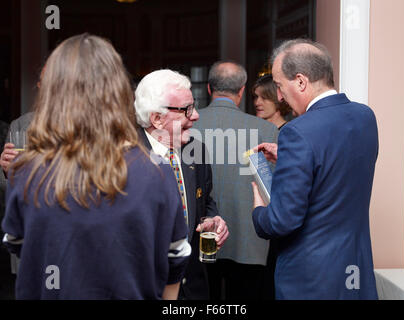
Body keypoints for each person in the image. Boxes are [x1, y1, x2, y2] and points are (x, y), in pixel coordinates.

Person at [1, 33, 191, 300]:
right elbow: (176, 260)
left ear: (51, 92)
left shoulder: (26, 172)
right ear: (117, 91)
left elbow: (19, 245)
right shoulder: (156, 173)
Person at [251, 38, 379, 299]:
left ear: (300, 81)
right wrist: (290, 156)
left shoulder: (297, 132)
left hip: (311, 278)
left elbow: (281, 221)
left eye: (278, 85)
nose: (279, 96)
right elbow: (338, 163)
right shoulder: (365, 116)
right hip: (355, 268)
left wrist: (258, 211)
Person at [134, 69, 229, 300]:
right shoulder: (124, 158)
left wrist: (212, 220)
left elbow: (205, 202)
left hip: (193, 287)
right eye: (186, 109)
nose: (195, 115)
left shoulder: (196, 151)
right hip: (146, 287)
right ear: (157, 118)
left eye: (194, 106)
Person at [193, 61, 278, 300]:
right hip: (249, 241)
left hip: (201, 237)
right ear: (242, 90)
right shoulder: (266, 130)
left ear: (209, 89)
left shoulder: (187, 128)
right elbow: (274, 190)